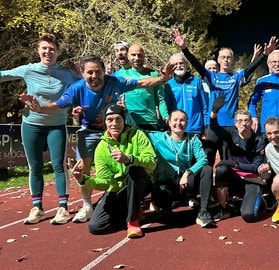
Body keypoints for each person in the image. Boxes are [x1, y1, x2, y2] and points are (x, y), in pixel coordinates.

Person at [25, 54, 173, 224]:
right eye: (90, 73)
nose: (94, 76)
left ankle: (132, 197)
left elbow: (142, 83)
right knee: (82, 167)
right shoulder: (76, 88)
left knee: (129, 162)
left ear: (104, 71)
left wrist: (162, 78)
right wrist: (40, 108)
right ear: (83, 72)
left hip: (114, 129)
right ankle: (87, 206)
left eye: (98, 72)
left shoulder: (116, 81)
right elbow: (57, 106)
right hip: (89, 131)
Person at [171, 27, 279, 167]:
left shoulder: (237, 77)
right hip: (213, 125)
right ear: (218, 60)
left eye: (229, 57)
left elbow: (251, 67)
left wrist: (264, 55)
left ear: (233, 60)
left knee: (229, 162)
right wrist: (184, 48)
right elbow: (195, 63)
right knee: (207, 160)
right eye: (223, 57)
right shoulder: (211, 76)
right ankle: (208, 188)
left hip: (231, 127)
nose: (226, 60)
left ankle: (227, 189)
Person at [9, 33, 81, 225]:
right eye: (44, 48)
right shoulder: (29, 70)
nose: (48, 52)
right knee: (35, 167)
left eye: (52, 49)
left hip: (56, 126)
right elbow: (3, 75)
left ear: (57, 52)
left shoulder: (66, 74)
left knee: (58, 165)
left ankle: (63, 208)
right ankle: (37, 208)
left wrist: (80, 82)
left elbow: (82, 88)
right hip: (31, 125)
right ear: (38, 50)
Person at [68, 104, 156, 238]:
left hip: (141, 183)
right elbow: (105, 182)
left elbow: (152, 163)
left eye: (118, 119)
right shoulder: (102, 147)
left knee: (133, 171)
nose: (114, 123)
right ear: (105, 122)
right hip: (118, 188)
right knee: (96, 226)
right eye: (110, 120)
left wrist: (130, 159)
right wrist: (83, 179)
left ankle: (132, 221)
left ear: (124, 120)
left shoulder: (137, 135)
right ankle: (130, 211)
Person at [147, 109, 216, 228]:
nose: (178, 123)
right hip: (166, 184)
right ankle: (165, 209)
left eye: (182, 120)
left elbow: (203, 159)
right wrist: (125, 112)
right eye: (175, 120)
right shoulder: (158, 138)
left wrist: (188, 173)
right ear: (168, 122)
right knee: (165, 210)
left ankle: (203, 211)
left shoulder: (193, 139)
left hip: (186, 185)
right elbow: (137, 130)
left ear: (187, 123)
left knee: (207, 169)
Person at [209, 95, 270, 222]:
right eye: (240, 121)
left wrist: (234, 164)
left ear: (251, 123)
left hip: (252, 179)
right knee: (221, 170)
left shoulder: (259, 140)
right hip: (235, 178)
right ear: (235, 124)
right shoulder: (231, 134)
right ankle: (224, 208)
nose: (243, 124)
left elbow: (255, 168)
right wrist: (214, 112)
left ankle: (259, 201)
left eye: (246, 120)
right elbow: (215, 128)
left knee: (248, 216)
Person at [114, 44, 169, 131]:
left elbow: (160, 99)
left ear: (144, 56)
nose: (136, 58)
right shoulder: (119, 75)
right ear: (128, 56)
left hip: (149, 121)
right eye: (133, 55)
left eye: (139, 55)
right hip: (128, 119)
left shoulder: (153, 75)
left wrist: (166, 116)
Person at [164, 52, 209, 136]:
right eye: (175, 64)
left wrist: (206, 125)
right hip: (177, 129)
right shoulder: (168, 85)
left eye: (181, 63)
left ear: (186, 64)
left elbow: (204, 105)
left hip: (195, 129)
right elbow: (166, 107)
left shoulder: (196, 81)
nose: (178, 66)